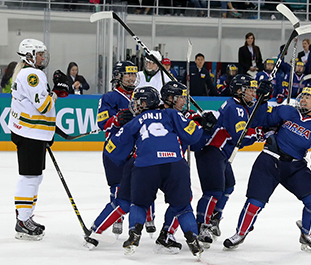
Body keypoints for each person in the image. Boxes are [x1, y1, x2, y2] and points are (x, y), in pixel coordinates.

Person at [222, 85, 311, 253]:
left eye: (307, 98)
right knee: (254, 203)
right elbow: (260, 119)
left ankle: (307, 233)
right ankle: (241, 233)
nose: (302, 99)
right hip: (269, 161)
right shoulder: (288, 111)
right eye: (302, 96)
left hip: (295, 166)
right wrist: (263, 100)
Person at [105, 85, 205, 257]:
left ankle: (134, 234)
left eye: (138, 102)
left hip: (146, 165)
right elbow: (195, 134)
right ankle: (192, 239)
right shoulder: (172, 114)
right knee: (182, 206)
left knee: (140, 204)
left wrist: (122, 153)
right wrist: (201, 123)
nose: (135, 105)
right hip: (175, 164)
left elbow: (112, 148)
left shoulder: (137, 120)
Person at [195, 75, 269, 246]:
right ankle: (202, 225)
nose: (253, 92)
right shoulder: (235, 108)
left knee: (229, 185)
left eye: (253, 89)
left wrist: (264, 102)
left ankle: (214, 218)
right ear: (238, 90)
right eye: (249, 89)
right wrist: (259, 134)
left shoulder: (240, 106)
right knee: (214, 190)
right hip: (211, 151)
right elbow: (239, 136)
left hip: (220, 153)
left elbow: (253, 122)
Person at [8, 39, 53, 240]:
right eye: (40, 54)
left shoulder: (26, 73)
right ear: (29, 55)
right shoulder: (32, 75)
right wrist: (55, 94)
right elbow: (43, 106)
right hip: (30, 134)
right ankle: (22, 221)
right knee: (29, 177)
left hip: (32, 133)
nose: (43, 57)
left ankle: (25, 217)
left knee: (35, 177)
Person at [91, 61, 139, 238]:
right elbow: (102, 122)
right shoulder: (110, 97)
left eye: (134, 74)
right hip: (115, 150)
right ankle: (116, 218)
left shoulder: (140, 95)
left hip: (135, 149)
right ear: (119, 76)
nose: (132, 78)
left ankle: (140, 222)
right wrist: (117, 119)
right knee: (118, 187)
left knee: (138, 187)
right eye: (128, 74)